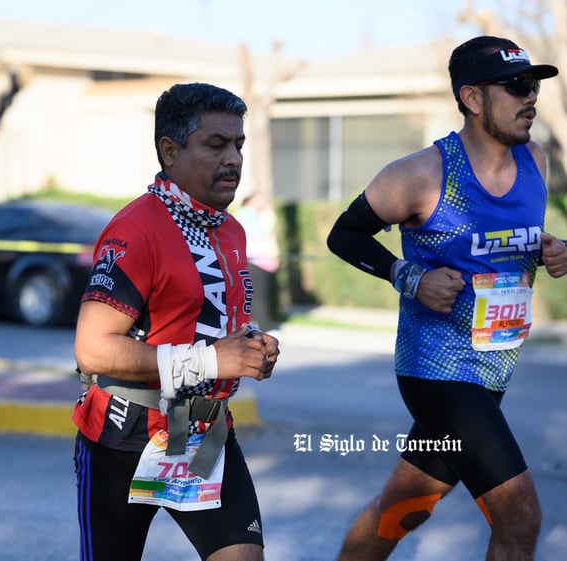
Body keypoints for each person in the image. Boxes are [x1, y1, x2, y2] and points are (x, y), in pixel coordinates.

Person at [326, 35, 567, 561]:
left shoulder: (537, 162)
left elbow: (516, 246)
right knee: (521, 515)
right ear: (474, 98)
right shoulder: (421, 174)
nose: (531, 98)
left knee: (403, 507)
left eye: (534, 87)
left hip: (493, 370)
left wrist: (556, 250)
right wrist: (409, 276)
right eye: (517, 87)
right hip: (437, 372)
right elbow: (343, 235)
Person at [72, 82, 280, 561]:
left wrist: (249, 350)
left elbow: (204, 324)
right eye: (216, 144)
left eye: (238, 144)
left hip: (205, 432)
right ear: (170, 150)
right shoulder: (136, 230)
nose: (234, 158)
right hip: (125, 435)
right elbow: (93, 349)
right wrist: (210, 360)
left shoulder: (231, 229)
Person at [234, 192, 281, 332]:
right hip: (256, 260)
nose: (263, 202)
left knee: (254, 296)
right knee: (259, 296)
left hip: (254, 260)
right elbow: (262, 233)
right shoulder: (249, 214)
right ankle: (266, 329)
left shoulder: (245, 214)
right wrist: (270, 215)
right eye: (259, 199)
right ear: (250, 201)